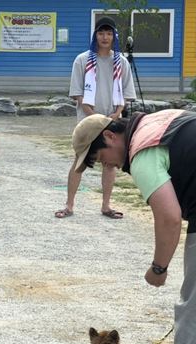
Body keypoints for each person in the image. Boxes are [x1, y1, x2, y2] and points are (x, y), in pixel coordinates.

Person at [72, 109, 196, 344]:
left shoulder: (143, 153)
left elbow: (169, 216)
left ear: (110, 136)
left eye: (97, 157)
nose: (103, 164)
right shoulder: (158, 122)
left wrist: (159, 267)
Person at [55, 16, 135, 220]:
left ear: (114, 36)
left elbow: (126, 95)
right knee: (80, 160)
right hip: (88, 119)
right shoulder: (82, 60)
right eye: (101, 33)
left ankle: (106, 205)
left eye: (109, 33)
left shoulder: (121, 62)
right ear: (95, 35)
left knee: (110, 162)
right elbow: (78, 94)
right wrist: (96, 117)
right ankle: (69, 205)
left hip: (112, 119)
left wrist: (115, 115)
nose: (105, 37)